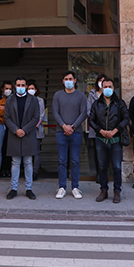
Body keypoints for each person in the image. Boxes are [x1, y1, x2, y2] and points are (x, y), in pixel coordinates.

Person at [90, 76, 130, 204]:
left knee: (117, 167)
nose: (107, 89)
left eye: (110, 87)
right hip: (101, 139)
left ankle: (117, 191)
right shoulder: (96, 104)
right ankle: (103, 190)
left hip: (116, 139)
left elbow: (126, 118)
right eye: (105, 87)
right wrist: (100, 130)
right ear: (101, 88)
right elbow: (91, 120)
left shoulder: (120, 103)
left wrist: (115, 130)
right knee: (102, 167)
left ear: (114, 88)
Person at [52, 70, 88, 199]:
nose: (68, 81)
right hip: (61, 132)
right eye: (66, 79)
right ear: (63, 81)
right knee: (62, 160)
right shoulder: (57, 95)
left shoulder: (81, 96)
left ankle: (75, 187)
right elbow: (55, 112)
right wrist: (64, 126)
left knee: (75, 160)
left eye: (70, 78)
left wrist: (72, 126)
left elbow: (83, 113)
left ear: (75, 80)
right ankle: (62, 187)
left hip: (76, 132)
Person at [4, 77, 40, 200]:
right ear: (15, 85)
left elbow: (36, 117)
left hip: (28, 134)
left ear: (26, 86)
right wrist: (16, 129)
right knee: (15, 162)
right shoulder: (10, 100)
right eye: (18, 84)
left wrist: (24, 130)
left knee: (28, 162)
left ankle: (28, 188)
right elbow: (7, 117)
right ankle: (13, 188)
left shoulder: (33, 100)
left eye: (23, 85)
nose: (20, 87)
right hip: (14, 134)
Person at [85, 74, 106, 181]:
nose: (102, 83)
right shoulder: (92, 94)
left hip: (107, 128)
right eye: (100, 81)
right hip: (95, 128)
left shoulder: (109, 93)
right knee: (97, 152)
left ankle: (105, 173)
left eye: (104, 81)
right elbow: (88, 110)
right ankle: (99, 174)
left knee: (107, 152)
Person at [27, 79, 45, 180]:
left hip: (36, 129)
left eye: (32, 89)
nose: (31, 90)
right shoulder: (24, 100)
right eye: (29, 88)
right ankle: (28, 172)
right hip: (26, 130)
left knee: (36, 151)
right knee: (28, 152)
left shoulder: (40, 100)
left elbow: (41, 115)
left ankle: (35, 172)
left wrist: (34, 125)